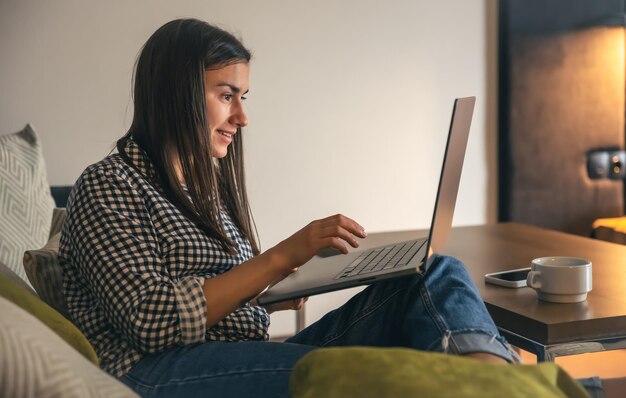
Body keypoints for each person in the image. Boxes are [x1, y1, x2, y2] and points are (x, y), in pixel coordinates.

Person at [58, 18, 610, 398]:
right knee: (354, 375)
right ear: (175, 93)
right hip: (154, 374)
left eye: (242, 98)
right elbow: (152, 322)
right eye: (227, 95)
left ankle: (495, 383)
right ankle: (519, 389)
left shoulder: (203, 188)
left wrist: (307, 276)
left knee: (429, 272)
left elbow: (231, 303)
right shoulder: (109, 187)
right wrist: (280, 257)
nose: (242, 118)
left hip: (227, 353)